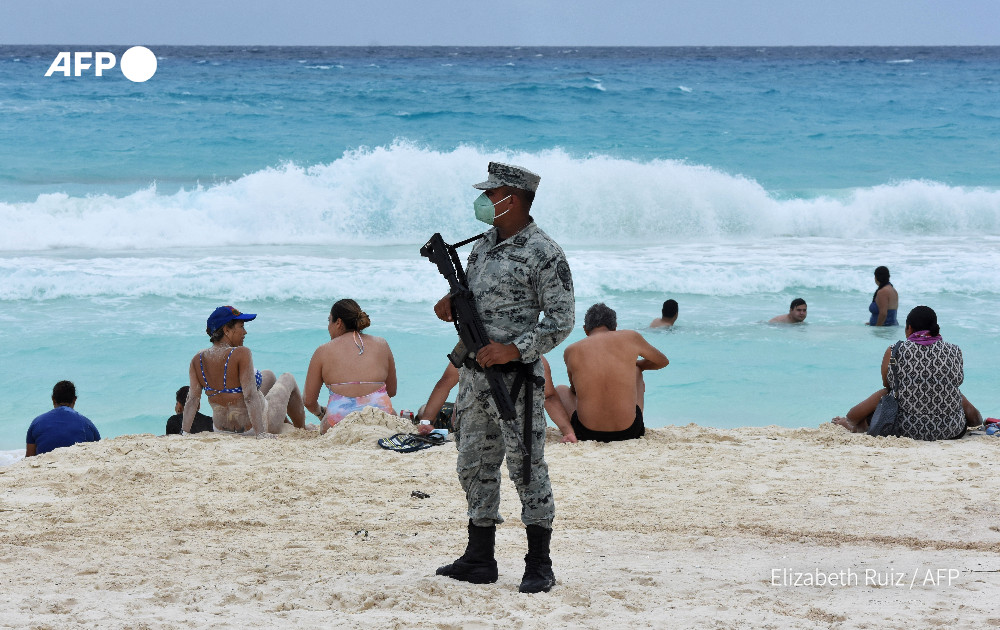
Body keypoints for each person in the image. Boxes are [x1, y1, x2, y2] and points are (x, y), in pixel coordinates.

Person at [433, 161, 574, 594]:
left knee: (526, 467)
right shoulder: (481, 246)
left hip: (516, 382)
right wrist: (451, 305)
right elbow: (476, 304)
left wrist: (514, 350)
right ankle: (480, 558)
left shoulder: (544, 253)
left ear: (513, 199)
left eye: (492, 194)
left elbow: (561, 320)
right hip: (475, 378)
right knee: (474, 464)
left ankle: (539, 563)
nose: (484, 200)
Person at [833, 306, 981, 440]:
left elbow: (888, 384)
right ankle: (978, 421)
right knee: (953, 391)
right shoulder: (955, 350)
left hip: (906, 429)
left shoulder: (895, 350)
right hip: (951, 429)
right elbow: (957, 380)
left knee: (885, 392)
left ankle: (851, 421)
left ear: (909, 328)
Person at [183, 306, 307, 437]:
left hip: (220, 428)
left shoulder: (197, 359)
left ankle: (287, 423)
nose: (245, 332)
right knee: (287, 378)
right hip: (253, 427)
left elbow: (193, 399)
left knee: (268, 375)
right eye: (241, 327)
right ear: (226, 330)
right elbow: (250, 396)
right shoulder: (241, 353)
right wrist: (260, 433)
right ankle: (302, 428)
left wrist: (184, 432)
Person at [556, 303, 669, 442]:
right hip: (630, 431)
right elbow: (662, 361)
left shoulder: (571, 350)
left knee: (561, 390)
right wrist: (635, 365)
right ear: (615, 327)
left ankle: (569, 431)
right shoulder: (630, 337)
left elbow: (574, 390)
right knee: (636, 371)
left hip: (586, 433)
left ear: (585, 329)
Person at [418, 357, 577, 443]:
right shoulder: (536, 358)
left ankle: (424, 420)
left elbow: (445, 383)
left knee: (427, 410)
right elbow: (549, 397)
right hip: (523, 433)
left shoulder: (470, 351)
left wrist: (426, 421)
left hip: (475, 430)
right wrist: (568, 432)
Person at [303, 299, 397, 433]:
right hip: (381, 420)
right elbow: (392, 391)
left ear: (338, 322)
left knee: (326, 422)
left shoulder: (322, 351)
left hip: (338, 423)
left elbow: (309, 401)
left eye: (329, 321)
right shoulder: (382, 344)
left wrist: (320, 413)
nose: (328, 327)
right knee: (393, 413)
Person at [25, 380, 101, 457]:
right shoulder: (87, 424)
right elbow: (98, 452)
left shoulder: (37, 423)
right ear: (74, 400)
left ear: (53, 399)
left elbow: (29, 458)